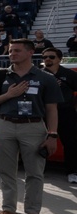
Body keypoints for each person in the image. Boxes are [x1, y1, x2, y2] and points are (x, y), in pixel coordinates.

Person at [0, 38, 62, 214]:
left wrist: (52, 135)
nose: (12, 54)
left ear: (30, 52)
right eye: (11, 51)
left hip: (33, 126)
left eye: (17, 51)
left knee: (35, 172)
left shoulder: (45, 78)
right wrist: (8, 95)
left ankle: (32, 213)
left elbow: (52, 109)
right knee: (5, 170)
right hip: (4, 124)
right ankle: (8, 208)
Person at [40, 47, 77, 185]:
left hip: (65, 111)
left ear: (59, 59)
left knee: (70, 142)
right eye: (45, 57)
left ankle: (72, 171)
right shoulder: (39, 74)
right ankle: (39, 170)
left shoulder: (70, 74)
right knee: (39, 141)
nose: (47, 59)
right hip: (43, 112)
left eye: (51, 57)